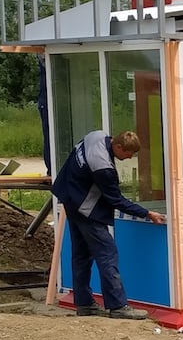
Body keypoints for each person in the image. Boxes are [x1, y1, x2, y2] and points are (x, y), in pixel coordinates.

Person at [51, 128, 167, 321]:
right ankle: (118, 306)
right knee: (107, 255)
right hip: (85, 209)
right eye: (128, 153)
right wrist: (147, 213)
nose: (129, 158)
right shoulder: (103, 167)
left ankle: (84, 304)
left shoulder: (95, 136)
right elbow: (116, 200)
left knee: (81, 255)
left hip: (70, 199)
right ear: (118, 146)